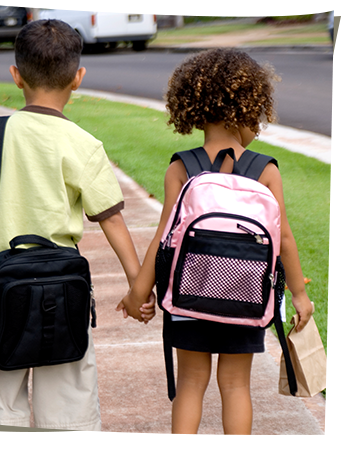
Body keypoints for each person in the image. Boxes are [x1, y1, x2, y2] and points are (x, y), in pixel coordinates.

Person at [0, 19, 155, 440]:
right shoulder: (83, 143)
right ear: (78, 78)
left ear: (15, 75)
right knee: (70, 409)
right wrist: (137, 287)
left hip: (2, 293)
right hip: (63, 295)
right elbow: (111, 218)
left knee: (2, 404)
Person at [119, 48, 314, 440]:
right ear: (246, 106)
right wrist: (298, 295)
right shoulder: (265, 169)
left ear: (194, 106)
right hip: (244, 297)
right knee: (236, 386)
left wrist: (137, 293)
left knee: (190, 384)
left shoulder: (181, 166)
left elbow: (164, 235)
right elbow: (284, 239)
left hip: (189, 297)